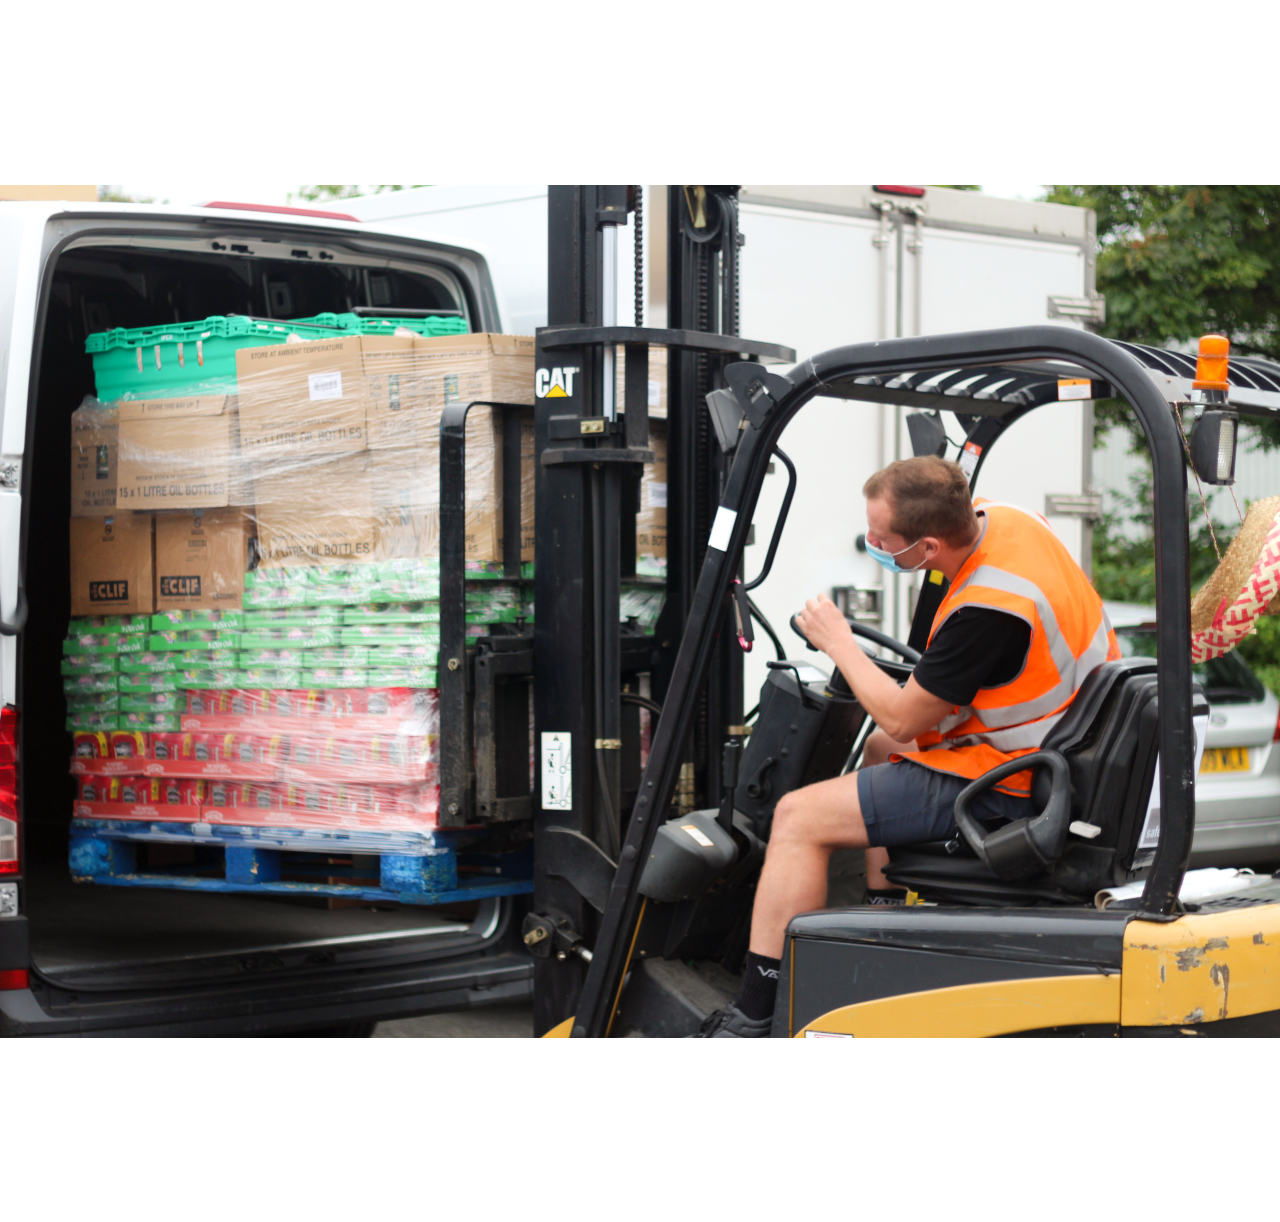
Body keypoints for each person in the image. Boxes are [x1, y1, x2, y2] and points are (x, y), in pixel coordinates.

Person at [694, 456, 1119, 1036]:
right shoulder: (1006, 521)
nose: (872, 543)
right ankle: (882, 920)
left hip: (1014, 779)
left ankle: (754, 1014)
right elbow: (923, 693)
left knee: (797, 818)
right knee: (881, 747)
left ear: (926, 549)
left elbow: (900, 707)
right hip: (1049, 749)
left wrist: (838, 642)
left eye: (880, 539)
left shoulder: (992, 610)